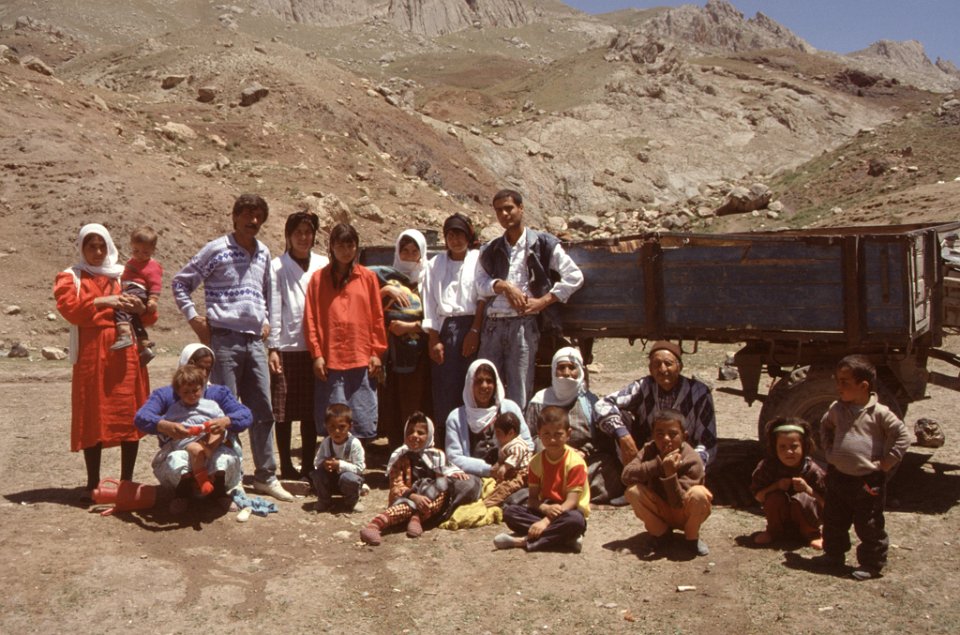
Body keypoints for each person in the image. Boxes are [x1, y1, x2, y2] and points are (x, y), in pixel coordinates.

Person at [172, 193, 292, 501]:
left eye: (258, 216)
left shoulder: (263, 252)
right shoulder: (217, 249)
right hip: (224, 338)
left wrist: (268, 326)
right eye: (247, 214)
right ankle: (231, 475)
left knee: (262, 408)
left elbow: (268, 294)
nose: (253, 221)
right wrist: (194, 319)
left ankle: (265, 476)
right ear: (235, 216)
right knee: (224, 410)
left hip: (254, 341)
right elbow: (180, 283)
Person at [54, 223, 154, 501]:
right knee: (93, 413)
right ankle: (92, 483)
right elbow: (72, 311)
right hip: (92, 353)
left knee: (128, 411)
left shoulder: (125, 274)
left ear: (109, 246)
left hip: (126, 351)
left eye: (102, 246)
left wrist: (141, 308)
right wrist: (104, 301)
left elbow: (148, 316)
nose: (97, 252)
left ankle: (126, 482)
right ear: (82, 248)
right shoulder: (71, 277)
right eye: (91, 246)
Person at [475, 189, 584, 408]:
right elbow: (479, 284)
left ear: (521, 208)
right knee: (486, 386)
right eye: (499, 210)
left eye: (509, 208)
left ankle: (518, 429)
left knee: (520, 388)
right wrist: (504, 286)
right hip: (492, 326)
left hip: (523, 325)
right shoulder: (491, 248)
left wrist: (542, 301)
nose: (504, 214)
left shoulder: (543, 244)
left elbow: (575, 277)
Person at [814, 355, 910, 580]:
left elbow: (902, 436)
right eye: (837, 380)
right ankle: (833, 555)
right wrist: (829, 451)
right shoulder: (837, 409)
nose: (838, 386)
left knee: (869, 523)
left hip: (867, 480)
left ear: (863, 386)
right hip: (838, 476)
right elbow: (825, 426)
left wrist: (888, 462)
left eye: (844, 382)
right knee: (833, 518)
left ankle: (871, 563)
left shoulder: (879, 413)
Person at [135, 344, 251, 512]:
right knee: (177, 459)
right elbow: (141, 417)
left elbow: (245, 415)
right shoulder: (166, 395)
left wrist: (226, 421)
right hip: (183, 448)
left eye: (208, 369)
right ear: (186, 364)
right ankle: (182, 493)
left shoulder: (217, 393)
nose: (203, 373)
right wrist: (164, 425)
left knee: (223, 458)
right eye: (199, 367)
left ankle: (218, 492)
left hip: (212, 447)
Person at [303, 223, 387, 443]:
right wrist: (317, 354)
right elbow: (310, 318)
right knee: (334, 421)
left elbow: (378, 317)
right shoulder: (318, 279)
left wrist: (376, 352)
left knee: (362, 420)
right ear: (331, 246)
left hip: (361, 358)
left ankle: (358, 460)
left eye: (350, 245)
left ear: (357, 247)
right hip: (331, 360)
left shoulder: (368, 278)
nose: (346, 251)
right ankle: (334, 461)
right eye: (340, 245)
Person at [267, 210, 329, 479]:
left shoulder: (323, 263)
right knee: (283, 411)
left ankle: (307, 465)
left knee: (309, 411)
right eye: (298, 233)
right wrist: (273, 347)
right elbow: (274, 307)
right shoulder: (277, 266)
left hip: (315, 347)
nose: (303, 238)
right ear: (288, 236)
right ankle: (286, 465)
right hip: (286, 346)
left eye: (308, 233)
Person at [594, 341, 718, 472]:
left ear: (680, 367)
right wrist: (622, 435)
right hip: (649, 457)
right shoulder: (643, 386)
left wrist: (687, 465)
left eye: (668, 364)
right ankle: (631, 473)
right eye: (657, 364)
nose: (662, 369)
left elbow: (708, 443)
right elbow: (602, 405)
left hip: (683, 459)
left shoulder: (699, 393)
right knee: (621, 416)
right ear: (650, 369)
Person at [359, 412, 471, 545]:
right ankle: (374, 526)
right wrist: (413, 497)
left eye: (420, 433)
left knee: (442, 487)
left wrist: (455, 473)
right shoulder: (399, 456)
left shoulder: (437, 455)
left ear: (429, 435)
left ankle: (417, 517)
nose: (414, 436)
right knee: (407, 506)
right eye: (410, 432)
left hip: (429, 499)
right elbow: (396, 485)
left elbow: (443, 479)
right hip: (407, 498)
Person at [526, 347, 620, 503]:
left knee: (607, 470)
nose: (566, 373)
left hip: (582, 461)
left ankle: (558, 493)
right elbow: (531, 436)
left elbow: (599, 439)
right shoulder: (539, 400)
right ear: (553, 371)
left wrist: (583, 452)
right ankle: (570, 493)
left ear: (580, 371)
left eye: (572, 367)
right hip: (548, 460)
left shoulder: (590, 401)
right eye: (561, 367)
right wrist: (558, 451)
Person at [494, 406, 589, 552]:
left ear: (568, 434)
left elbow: (571, 501)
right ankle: (565, 537)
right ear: (539, 434)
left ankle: (524, 541)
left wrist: (545, 522)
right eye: (546, 434)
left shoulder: (576, 463)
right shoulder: (536, 462)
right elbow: (532, 499)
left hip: (569, 510)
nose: (552, 439)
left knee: (575, 521)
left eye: (558, 434)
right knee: (510, 512)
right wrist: (545, 509)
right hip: (546, 508)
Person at [422, 213, 485, 429]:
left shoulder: (478, 260)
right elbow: (429, 301)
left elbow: (482, 297)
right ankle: (447, 437)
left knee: (472, 384)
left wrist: (475, 331)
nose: (455, 240)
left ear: (468, 237)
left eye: (460, 235)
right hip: (445, 329)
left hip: (472, 326)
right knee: (445, 386)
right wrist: (434, 339)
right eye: (451, 235)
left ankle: (472, 435)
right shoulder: (435, 264)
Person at [621, 409, 713, 557]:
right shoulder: (649, 450)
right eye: (659, 434)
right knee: (633, 491)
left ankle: (691, 538)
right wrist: (658, 465)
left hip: (684, 512)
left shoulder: (692, 459)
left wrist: (670, 474)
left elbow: (678, 503)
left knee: (699, 494)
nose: (666, 439)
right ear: (652, 436)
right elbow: (626, 476)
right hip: (661, 510)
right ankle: (662, 534)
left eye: (673, 434)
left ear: (684, 436)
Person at [375, 229, 432, 448]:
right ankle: (396, 452)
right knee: (391, 404)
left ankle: (417, 451)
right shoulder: (389, 279)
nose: (409, 256)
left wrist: (408, 327)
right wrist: (385, 291)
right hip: (391, 355)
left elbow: (437, 317)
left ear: (422, 253)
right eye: (404, 251)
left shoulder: (428, 280)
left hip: (419, 355)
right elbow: (368, 307)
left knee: (414, 404)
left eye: (414, 251)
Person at [445, 359, 533, 478]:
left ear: (496, 384)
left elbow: (528, 444)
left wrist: (508, 465)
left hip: (510, 471)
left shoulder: (510, 408)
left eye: (489, 381)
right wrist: (488, 470)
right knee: (464, 486)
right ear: (470, 384)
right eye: (479, 381)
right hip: (474, 475)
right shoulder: (456, 417)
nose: (484, 386)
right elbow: (453, 457)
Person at [751, 417, 826, 549]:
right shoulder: (767, 467)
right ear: (774, 447)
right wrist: (776, 486)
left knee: (802, 498)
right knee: (775, 497)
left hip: (807, 519)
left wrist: (808, 489)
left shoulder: (812, 470)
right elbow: (759, 496)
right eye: (782, 447)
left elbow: (827, 504)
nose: (789, 452)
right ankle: (773, 532)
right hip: (781, 518)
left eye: (794, 446)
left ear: (804, 446)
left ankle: (812, 534)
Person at [157, 365, 230, 497]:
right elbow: (167, 430)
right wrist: (173, 430)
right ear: (178, 392)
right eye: (186, 392)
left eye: (195, 390)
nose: (191, 395)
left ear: (202, 387)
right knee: (196, 448)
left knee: (218, 430)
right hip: (188, 440)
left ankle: (208, 450)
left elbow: (221, 420)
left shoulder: (211, 405)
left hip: (208, 437)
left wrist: (216, 424)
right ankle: (202, 480)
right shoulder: (174, 409)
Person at [112, 226, 162, 365]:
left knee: (122, 304)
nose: (140, 255)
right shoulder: (130, 262)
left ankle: (124, 334)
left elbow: (155, 283)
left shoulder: (152, 266)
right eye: (136, 250)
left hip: (138, 290)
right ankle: (143, 342)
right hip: (129, 289)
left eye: (145, 252)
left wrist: (153, 299)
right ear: (131, 246)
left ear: (153, 250)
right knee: (133, 316)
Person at [312, 403, 366, 513]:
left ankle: (352, 500)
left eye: (341, 427)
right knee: (317, 474)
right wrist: (324, 464)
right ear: (326, 426)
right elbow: (317, 462)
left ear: (350, 426)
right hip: (331, 480)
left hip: (348, 482)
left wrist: (339, 465)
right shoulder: (326, 442)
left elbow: (360, 468)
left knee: (349, 478)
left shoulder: (354, 444)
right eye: (332, 427)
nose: (336, 431)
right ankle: (324, 500)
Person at [483, 411, 532, 508]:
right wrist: (498, 465)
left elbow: (516, 456)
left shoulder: (517, 444)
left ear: (511, 432)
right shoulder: (505, 443)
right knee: (496, 483)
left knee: (508, 487)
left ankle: (491, 502)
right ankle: (491, 495)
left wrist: (505, 466)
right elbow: (502, 457)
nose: (496, 435)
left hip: (522, 473)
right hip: (510, 472)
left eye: (499, 432)